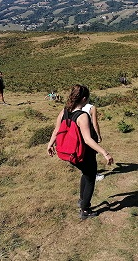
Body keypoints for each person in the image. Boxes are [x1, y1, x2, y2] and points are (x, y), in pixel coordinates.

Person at [47, 84, 114, 219]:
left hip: (68, 152)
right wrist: (105, 153)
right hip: (83, 153)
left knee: (85, 174)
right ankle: (85, 210)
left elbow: (56, 130)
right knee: (90, 179)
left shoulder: (64, 111)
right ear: (84, 99)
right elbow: (88, 140)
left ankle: (81, 200)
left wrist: (50, 145)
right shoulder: (82, 116)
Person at [82, 102, 105, 182]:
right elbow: (95, 123)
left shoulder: (74, 106)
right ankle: (94, 175)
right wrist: (98, 135)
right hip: (90, 133)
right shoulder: (91, 108)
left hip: (79, 134)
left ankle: (86, 172)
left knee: (84, 154)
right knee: (92, 156)